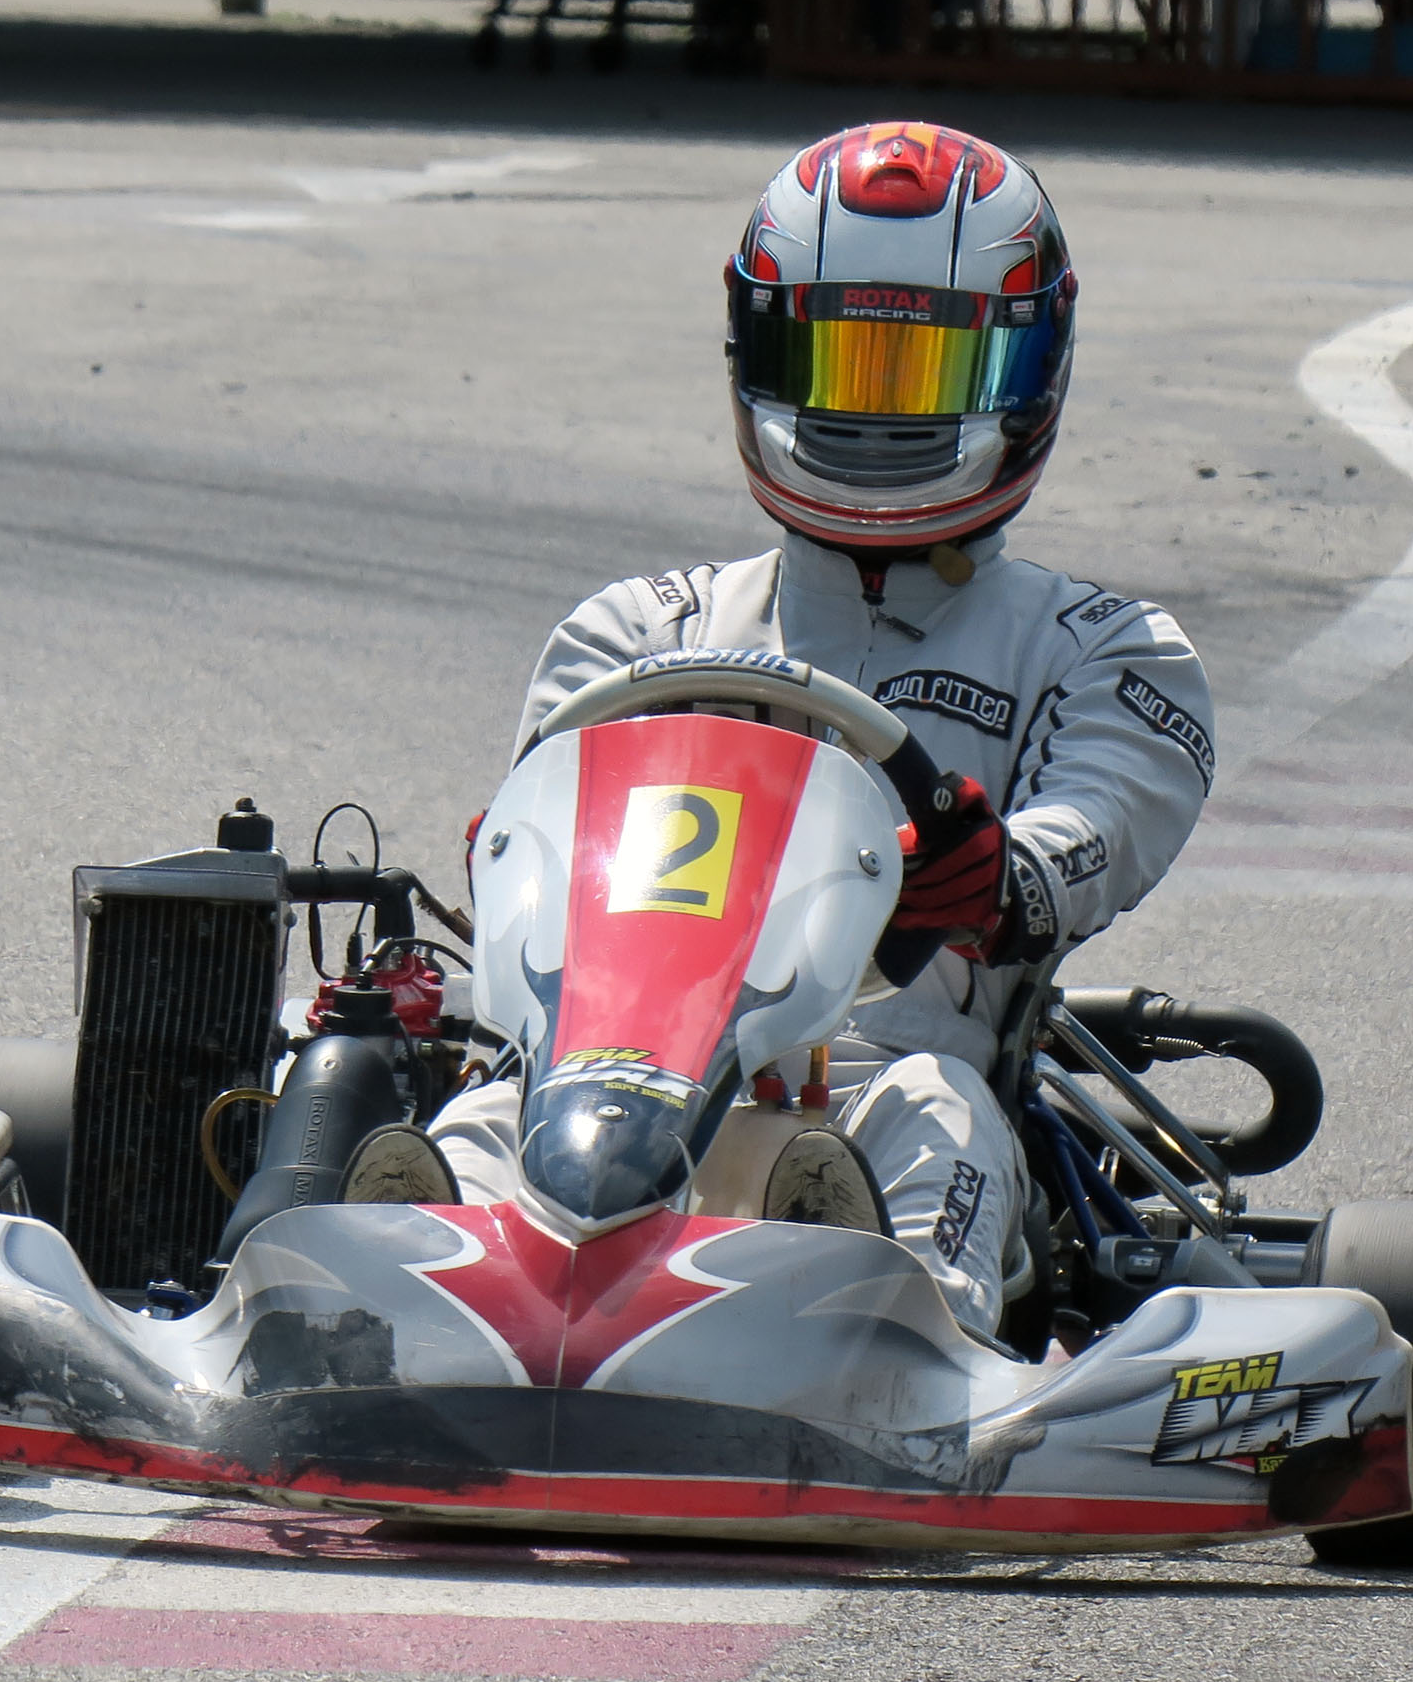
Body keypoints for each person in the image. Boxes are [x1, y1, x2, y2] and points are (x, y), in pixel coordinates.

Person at [419, 120, 1217, 1342]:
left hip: (882, 1082)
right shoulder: (636, 634)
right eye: (840, 361)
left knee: (939, 1114)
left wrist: (998, 875)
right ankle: (413, 1313)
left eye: (925, 370)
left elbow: (1102, 820)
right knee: (475, 1126)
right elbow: (537, 859)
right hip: (610, 1087)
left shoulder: (1099, 648)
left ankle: (895, 1348)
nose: (876, 416)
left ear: (1029, 367)